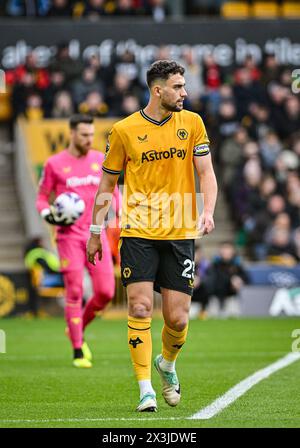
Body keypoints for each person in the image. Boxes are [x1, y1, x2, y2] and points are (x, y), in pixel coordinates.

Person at [86, 60, 217, 412]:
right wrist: (96, 230)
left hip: (180, 231)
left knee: (177, 319)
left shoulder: (192, 123)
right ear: (158, 90)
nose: (184, 93)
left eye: (184, 86)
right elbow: (107, 185)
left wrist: (207, 211)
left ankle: (167, 365)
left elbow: (205, 172)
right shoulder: (125, 131)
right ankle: (145, 388)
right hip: (138, 230)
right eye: (178, 87)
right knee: (141, 306)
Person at [36, 114, 121, 368]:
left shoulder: (100, 160)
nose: (88, 139)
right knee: (74, 291)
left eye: (91, 134)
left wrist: (112, 211)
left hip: (96, 234)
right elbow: (42, 198)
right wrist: (48, 214)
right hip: (68, 236)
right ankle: (77, 349)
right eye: (84, 134)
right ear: (72, 134)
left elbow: (113, 193)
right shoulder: (54, 164)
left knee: (106, 292)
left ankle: (76, 328)